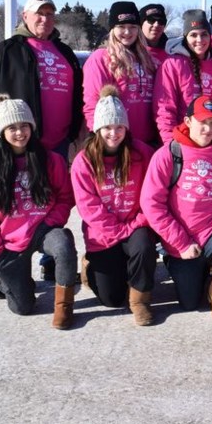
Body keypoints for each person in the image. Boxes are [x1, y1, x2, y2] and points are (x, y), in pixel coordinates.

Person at [0, 0, 83, 284]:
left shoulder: (65, 52)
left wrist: (74, 133)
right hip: (17, 146)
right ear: (25, 16)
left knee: (54, 204)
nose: (44, 19)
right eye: (38, 13)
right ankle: (9, 268)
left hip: (57, 145)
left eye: (49, 14)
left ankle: (52, 261)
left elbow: (77, 95)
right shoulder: (9, 50)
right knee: (15, 207)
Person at [0, 95, 78, 329]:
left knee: (63, 243)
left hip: (43, 230)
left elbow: (65, 197)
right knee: (22, 308)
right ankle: (8, 279)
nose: (20, 132)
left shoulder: (51, 161)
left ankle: (64, 307)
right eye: (12, 127)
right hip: (11, 241)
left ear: (32, 126)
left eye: (24, 126)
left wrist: (52, 221)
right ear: (2, 132)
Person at [140, 96, 212, 319]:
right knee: (189, 303)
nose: (208, 129)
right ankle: (183, 265)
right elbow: (151, 204)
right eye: (202, 122)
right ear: (188, 122)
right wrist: (181, 242)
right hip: (182, 236)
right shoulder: (169, 154)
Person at [71, 86, 157, 326]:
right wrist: (119, 232)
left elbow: (154, 192)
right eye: (108, 127)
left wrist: (139, 222)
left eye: (119, 127)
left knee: (144, 245)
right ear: (98, 129)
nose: (114, 133)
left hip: (134, 222)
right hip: (103, 233)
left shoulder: (141, 152)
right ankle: (90, 267)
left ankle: (140, 300)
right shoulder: (84, 161)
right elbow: (89, 208)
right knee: (112, 299)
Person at [82, 1, 159, 146]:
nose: (127, 32)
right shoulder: (101, 58)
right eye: (121, 27)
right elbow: (93, 103)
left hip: (148, 141)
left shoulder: (148, 59)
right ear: (112, 29)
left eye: (132, 27)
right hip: (117, 141)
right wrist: (99, 139)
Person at [153, 9, 212, 144]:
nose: (199, 40)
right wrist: (171, 144)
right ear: (185, 37)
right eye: (193, 35)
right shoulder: (173, 65)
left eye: (204, 34)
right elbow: (164, 109)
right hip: (183, 141)